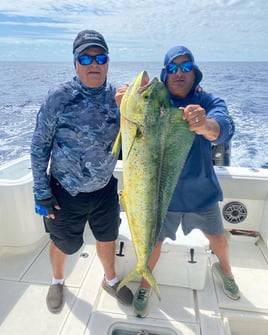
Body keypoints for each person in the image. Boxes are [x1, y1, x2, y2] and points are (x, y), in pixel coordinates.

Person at [132, 45, 240, 317]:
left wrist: (205, 126)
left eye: (186, 67)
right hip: (161, 195)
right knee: (153, 244)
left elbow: (224, 127)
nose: (179, 73)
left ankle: (224, 272)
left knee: (218, 240)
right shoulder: (154, 104)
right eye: (172, 68)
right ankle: (145, 284)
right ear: (165, 74)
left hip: (200, 192)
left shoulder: (208, 102)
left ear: (195, 72)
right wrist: (124, 104)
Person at [31, 29, 133, 313]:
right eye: (85, 58)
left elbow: (139, 137)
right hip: (65, 191)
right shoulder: (58, 98)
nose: (94, 64)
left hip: (104, 189)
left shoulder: (120, 98)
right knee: (63, 243)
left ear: (108, 61)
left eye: (100, 57)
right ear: (75, 63)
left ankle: (110, 280)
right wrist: (42, 193)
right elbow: (39, 146)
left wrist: (130, 109)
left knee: (107, 236)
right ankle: (57, 280)